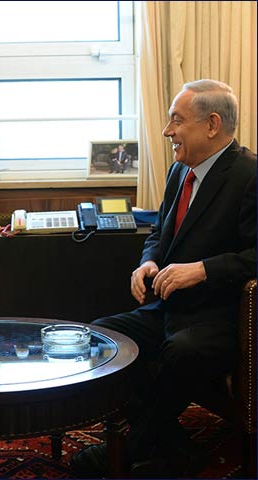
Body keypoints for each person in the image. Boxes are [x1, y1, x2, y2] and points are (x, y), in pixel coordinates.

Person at [70, 79, 256, 477]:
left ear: (211, 124)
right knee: (102, 338)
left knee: (182, 352)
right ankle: (173, 444)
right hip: (166, 307)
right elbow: (158, 231)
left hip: (220, 316)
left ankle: (130, 449)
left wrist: (204, 269)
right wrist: (147, 261)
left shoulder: (249, 175)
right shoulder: (178, 172)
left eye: (176, 121)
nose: (167, 131)